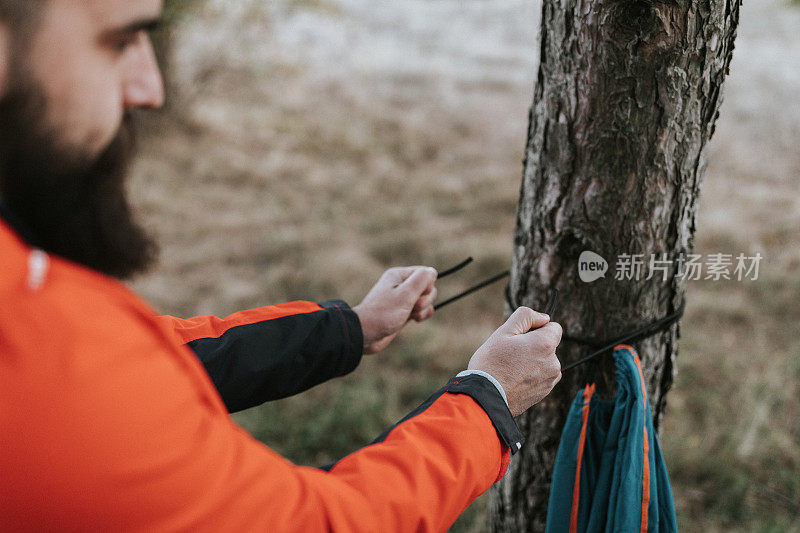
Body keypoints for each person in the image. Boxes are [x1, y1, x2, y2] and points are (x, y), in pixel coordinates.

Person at [0, 1, 563, 531]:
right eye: (118, 42)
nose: (152, 87)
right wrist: (489, 402)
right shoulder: (43, 359)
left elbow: (162, 359)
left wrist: (350, 328)